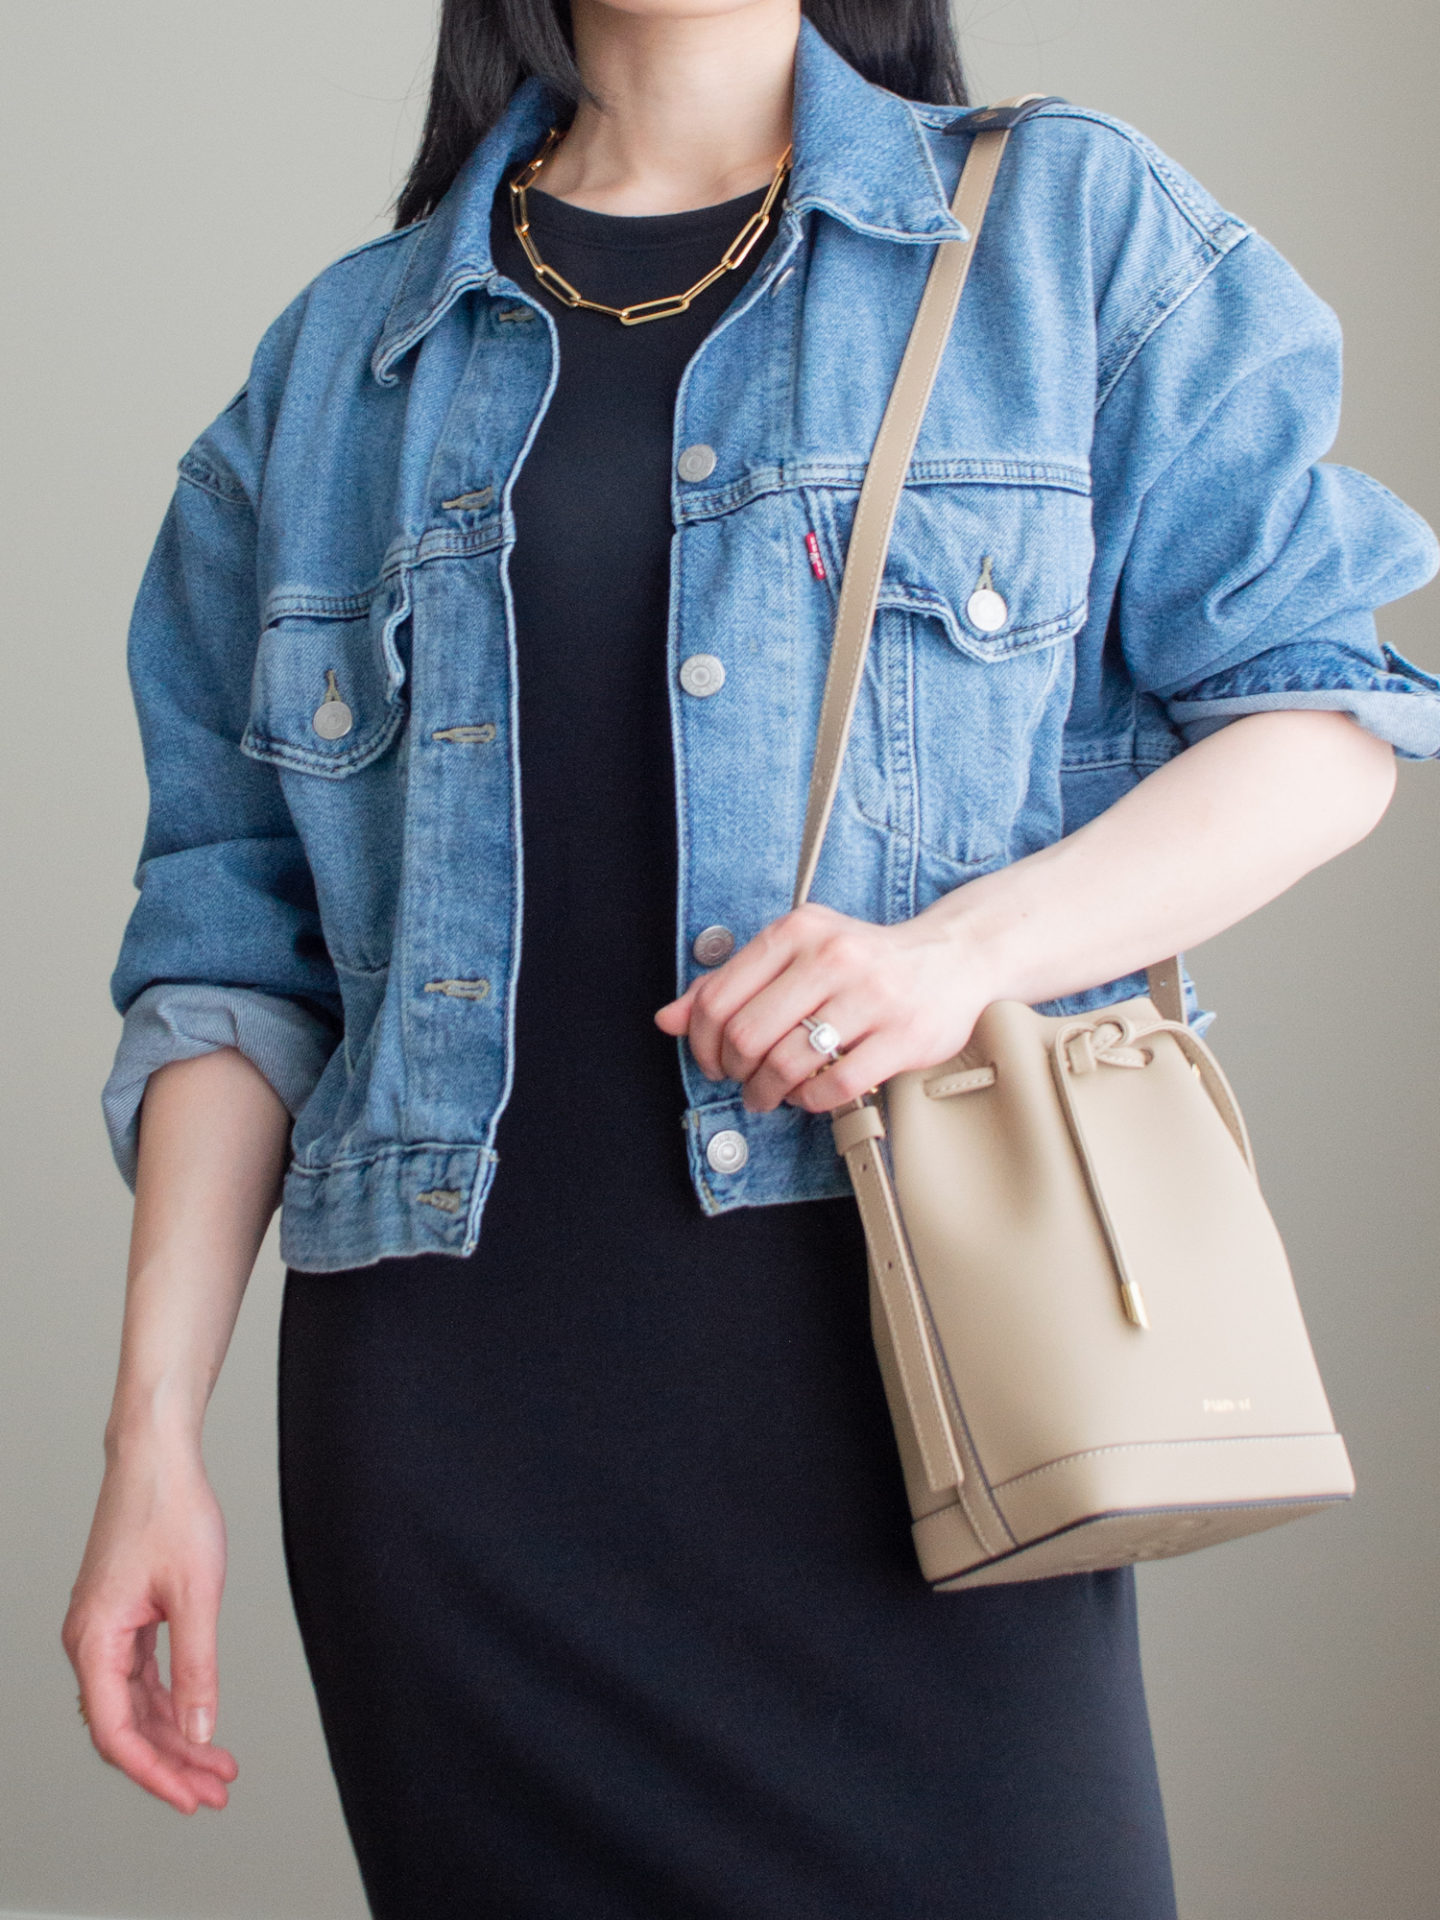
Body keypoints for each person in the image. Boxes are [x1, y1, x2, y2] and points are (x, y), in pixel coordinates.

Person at [62, 2, 1440, 1915]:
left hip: (929, 1400)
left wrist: (962, 956)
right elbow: (230, 959)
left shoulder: (1061, 233)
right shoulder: (335, 371)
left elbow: (1325, 723)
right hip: (458, 1447)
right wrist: (152, 1443)